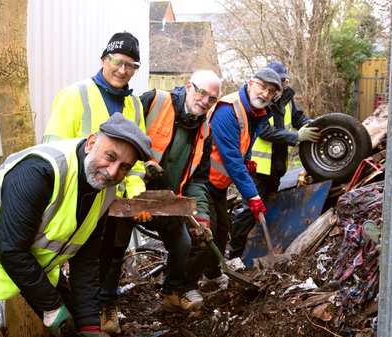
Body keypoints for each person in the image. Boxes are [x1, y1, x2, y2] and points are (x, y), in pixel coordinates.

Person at [0, 114, 152, 337]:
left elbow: (87, 260)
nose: (112, 172)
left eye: (124, 167)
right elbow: (11, 250)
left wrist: (89, 325)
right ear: (91, 143)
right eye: (110, 157)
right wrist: (51, 306)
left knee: (74, 324)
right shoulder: (39, 171)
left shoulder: (104, 189)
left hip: (28, 257)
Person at [39, 32, 147, 335]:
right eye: (117, 62)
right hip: (77, 195)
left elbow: (135, 162)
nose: (123, 70)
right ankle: (69, 314)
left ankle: (101, 309)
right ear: (104, 60)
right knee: (77, 258)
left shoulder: (135, 105)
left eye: (131, 66)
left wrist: (136, 199)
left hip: (115, 200)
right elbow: (53, 147)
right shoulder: (76, 95)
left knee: (110, 257)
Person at [98, 70, 221, 335]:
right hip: (129, 194)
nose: (205, 101)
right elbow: (121, 135)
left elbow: (198, 180)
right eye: (202, 92)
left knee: (183, 244)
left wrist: (201, 218)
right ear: (189, 86)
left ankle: (172, 294)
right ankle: (106, 303)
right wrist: (141, 169)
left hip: (167, 200)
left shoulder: (205, 129)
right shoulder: (154, 101)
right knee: (115, 249)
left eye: (212, 98)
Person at [184, 68, 282, 296]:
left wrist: (247, 160)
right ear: (250, 84)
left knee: (221, 233)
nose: (265, 94)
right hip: (202, 182)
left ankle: (211, 276)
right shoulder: (228, 110)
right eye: (262, 87)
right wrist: (253, 196)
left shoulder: (254, 112)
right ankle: (183, 287)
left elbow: (239, 149)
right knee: (205, 234)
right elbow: (230, 159)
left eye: (271, 92)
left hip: (219, 183)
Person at [228, 61, 320, 259]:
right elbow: (265, 131)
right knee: (248, 213)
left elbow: (299, 119)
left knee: (267, 211)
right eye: (279, 81)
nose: (282, 86)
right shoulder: (260, 100)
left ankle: (257, 252)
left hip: (277, 168)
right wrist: (296, 137)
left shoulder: (287, 98)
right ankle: (234, 256)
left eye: (284, 81)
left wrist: (315, 126)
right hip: (258, 170)